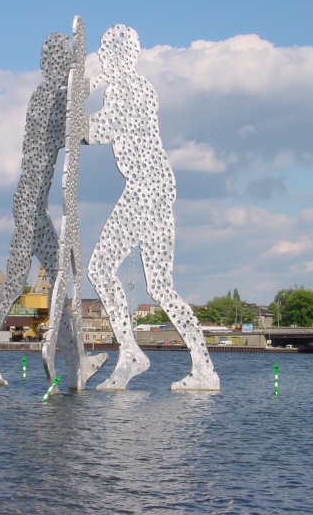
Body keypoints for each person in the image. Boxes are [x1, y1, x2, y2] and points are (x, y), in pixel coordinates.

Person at [85, 24, 220, 391]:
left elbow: (101, 129)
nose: (100, 57)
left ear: (120, 56)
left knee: (99, 268)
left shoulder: (129, 88)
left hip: (146, 188)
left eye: (104, 51)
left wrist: (73, 115)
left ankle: (131, 352)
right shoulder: (136, 86)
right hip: (155, 187)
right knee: (160, 286)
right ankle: (202, 367)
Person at [0, 33, 71, 386]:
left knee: (52, 277)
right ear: (52, 64)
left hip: (32, 201)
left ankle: (74, 359)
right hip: (30, 203)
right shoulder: (49, 98)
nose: (65, 68)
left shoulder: (43, 96)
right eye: (64, 62)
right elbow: (70, 138)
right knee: (30, 280)